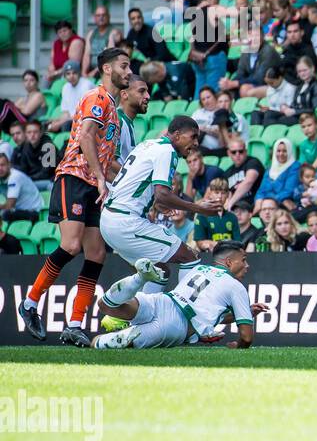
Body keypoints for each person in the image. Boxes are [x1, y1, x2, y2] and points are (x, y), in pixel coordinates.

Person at [20, 49, 133, 347]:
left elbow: (106, 158)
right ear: (107, 69)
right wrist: (100, 180)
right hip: (74, 177)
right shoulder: (96, 98)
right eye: (124, 66)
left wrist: (131, 179)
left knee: (96, 254)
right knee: (71, 245)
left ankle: (74, 324)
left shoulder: (113, 109)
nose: (128, 71)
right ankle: (30, 304)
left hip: (94, 181)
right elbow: (85, 138)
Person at [98, 114, 220, 293]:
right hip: (126, 222)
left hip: (109, 219)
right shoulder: (168, 151)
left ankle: (135, 315)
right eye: (193, 136)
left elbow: (140, 184)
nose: (196, 143)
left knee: (159, 272)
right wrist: (198, 208)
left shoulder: (147, 144)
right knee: (190, 257)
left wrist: (156, 202)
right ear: (177, 135)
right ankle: (185, 310)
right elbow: (162, 194)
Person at [92, 243, 266, 350]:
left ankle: (139, 279)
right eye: (243, 260)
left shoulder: (199, 269)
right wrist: (238, 346)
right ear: (229, 262)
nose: (247, 265)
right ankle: (121, 336)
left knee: (104, 306)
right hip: (174, 326)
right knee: (98, 343)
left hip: (163, 301)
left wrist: (243, 313)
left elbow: (207, 311)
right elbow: (246, 337)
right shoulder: (236, 287)